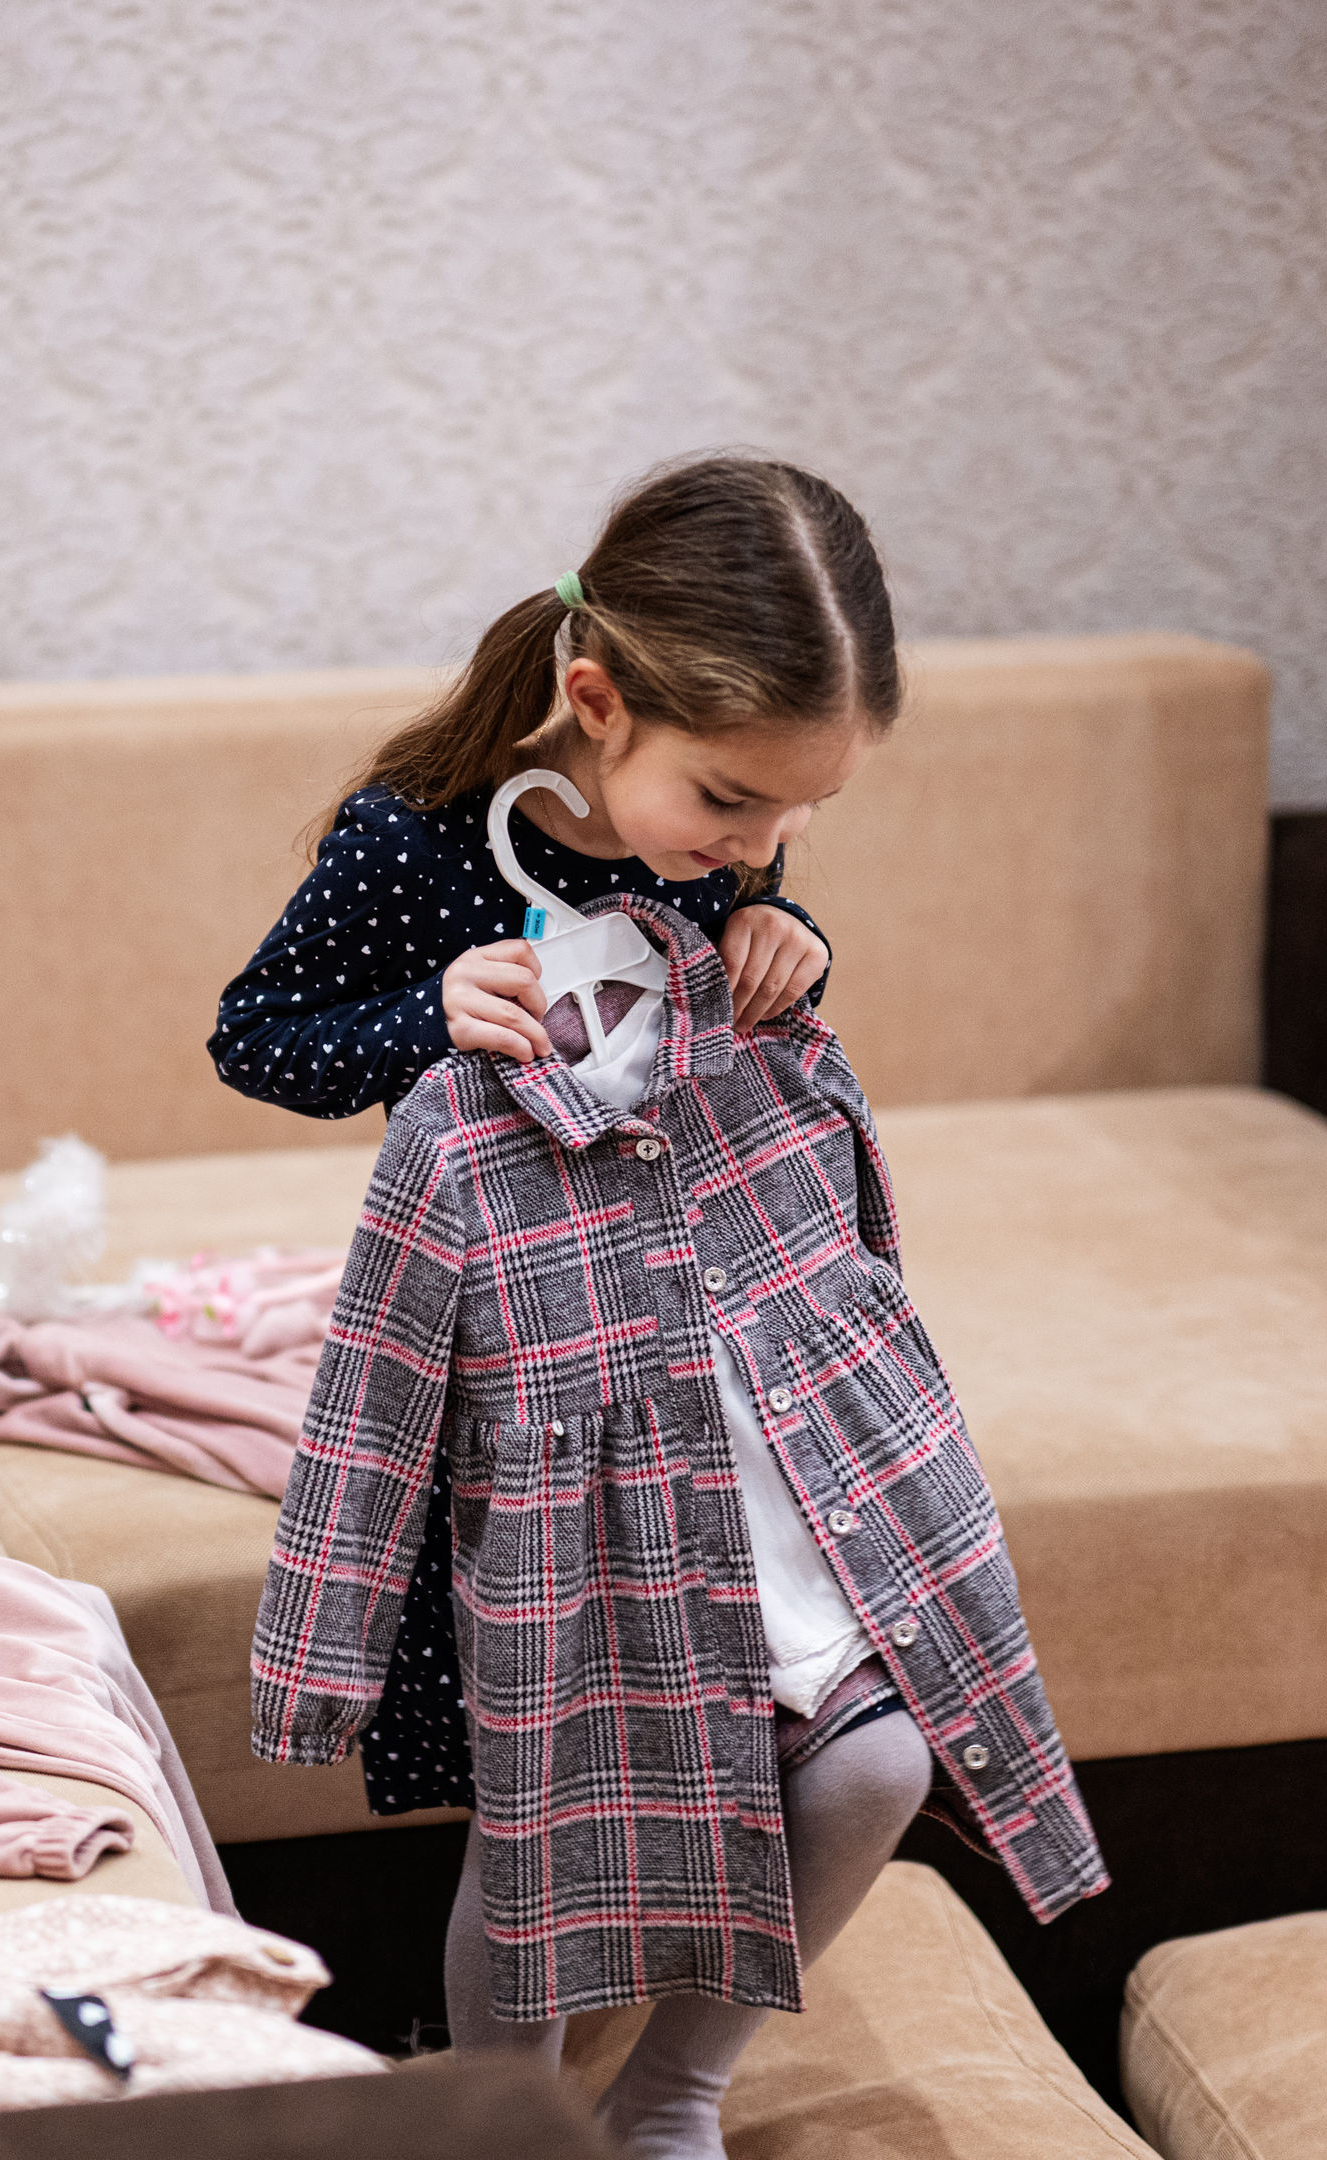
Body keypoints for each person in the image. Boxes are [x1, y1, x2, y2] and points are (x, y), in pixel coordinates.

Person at [223, 460, 1082, 2159]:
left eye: (797, 818)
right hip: (529, 1406)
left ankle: (673, 2092)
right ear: (597, 704)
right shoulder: (413, 845)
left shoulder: (723, 850)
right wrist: (424, 1013)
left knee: (876, 1765)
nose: (754, 845)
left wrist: (785, 934)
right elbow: (258, 1038)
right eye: (731, 803)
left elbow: (727, 981)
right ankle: (505, 2115)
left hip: (730, 1395)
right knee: (543, 1820)